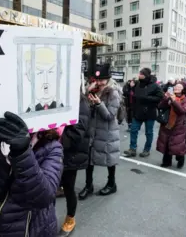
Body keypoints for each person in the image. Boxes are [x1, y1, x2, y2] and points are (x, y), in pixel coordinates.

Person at [79, 64, 121, 200]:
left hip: (107, 132)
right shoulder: (95, 90)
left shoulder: (113, 93)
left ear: (108, 79)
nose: (99, 82)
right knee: (90, 159)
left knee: (109, 158)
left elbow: (110, 115)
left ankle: (111, 183)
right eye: (97, 80)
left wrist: (98, 104)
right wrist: (86, 93)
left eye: (102, 79)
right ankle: (88, 185)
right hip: (93, 130)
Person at [58, 92, 91, 237]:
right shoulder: (58, 98)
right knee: (49, 186)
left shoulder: (81, 103)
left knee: (69, 188)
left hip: (70, 154)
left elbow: (78, 133)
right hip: (54, 152)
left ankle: (70, 218)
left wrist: (54, 137)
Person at [124, 68, 163, 157]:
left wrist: (147, 98)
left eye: (141, 74)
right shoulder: (137, 83)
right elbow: (131, 94)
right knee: (133, 130)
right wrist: (130, 87)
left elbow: (160, 97)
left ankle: (146, 150)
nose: (139, 75)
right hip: (137, 112)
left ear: (146, 75)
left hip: (149, 112)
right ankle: (132, 148)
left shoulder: (155, 86)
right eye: (139, 73)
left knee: (148, 132)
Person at [156, 82, 186, 168]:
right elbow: (160, 106)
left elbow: (182, 111)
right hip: (167, 123)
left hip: (179, 125)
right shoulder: (169, 96)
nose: (176, 88)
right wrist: (165, 99)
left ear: (183, 90)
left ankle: (180, 159)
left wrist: (174, 101)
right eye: (175, 86)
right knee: (166, 142)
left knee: (178, 144)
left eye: (179, 87)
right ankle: (166, 162)